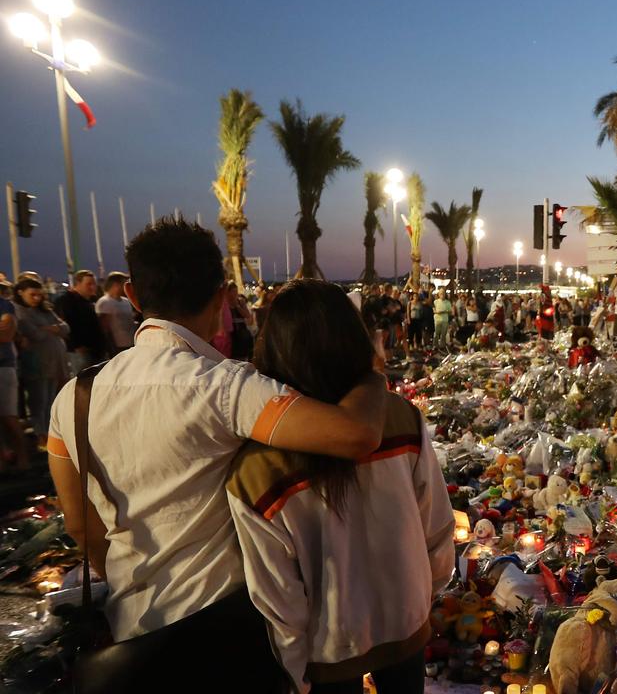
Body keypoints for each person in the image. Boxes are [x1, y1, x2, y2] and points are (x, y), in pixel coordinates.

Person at [44, 219, 388, 690]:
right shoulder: (223, 387)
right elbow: (355, 435)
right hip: (225, 634)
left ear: (135, 298)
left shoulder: (72, 398)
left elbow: (82, 525)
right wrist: (373, 377)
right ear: (222, 295)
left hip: (133, 636)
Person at [227, 281, 454, 694]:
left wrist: (295, 674)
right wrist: (422, 597)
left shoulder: (256, 467)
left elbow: (278, 598)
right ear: (354, 338)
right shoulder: (399, 418)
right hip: (405, 619)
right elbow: (436, 524)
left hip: (327, 649)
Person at [14, 279, 69, 449]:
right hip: (36, 362)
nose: (37, 298)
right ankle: (42, 435)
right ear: (20, 293)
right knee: (39, 401)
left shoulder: (45, 310)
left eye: (39, 294)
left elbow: (66, 328)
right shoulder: (20, 312)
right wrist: (51, 329)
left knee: (51, 400)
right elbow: (34, 334)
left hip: (54, 362)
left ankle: (52, 434)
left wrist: (46, 328)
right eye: (33, 294)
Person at [55, 270, 105, 375]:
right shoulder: (66, 300)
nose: (93, 287)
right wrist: (76, 345)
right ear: (77, 284)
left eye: (94, 284)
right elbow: (65, 324)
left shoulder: (91, 300)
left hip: (95, 349)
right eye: (89, 284)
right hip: (79, 350)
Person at [0, 283, 22, 471]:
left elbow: (5, 334)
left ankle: (24, 461)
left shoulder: (5, 305)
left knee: (9, 416)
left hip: (3, 366)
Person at [95, 271, 137, 356]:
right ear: (116, 284)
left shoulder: (126, 301)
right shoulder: (104, 302)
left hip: (131, 344)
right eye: (124, 284)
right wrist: (110, 347)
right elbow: (104, 328)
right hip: (117, 347)